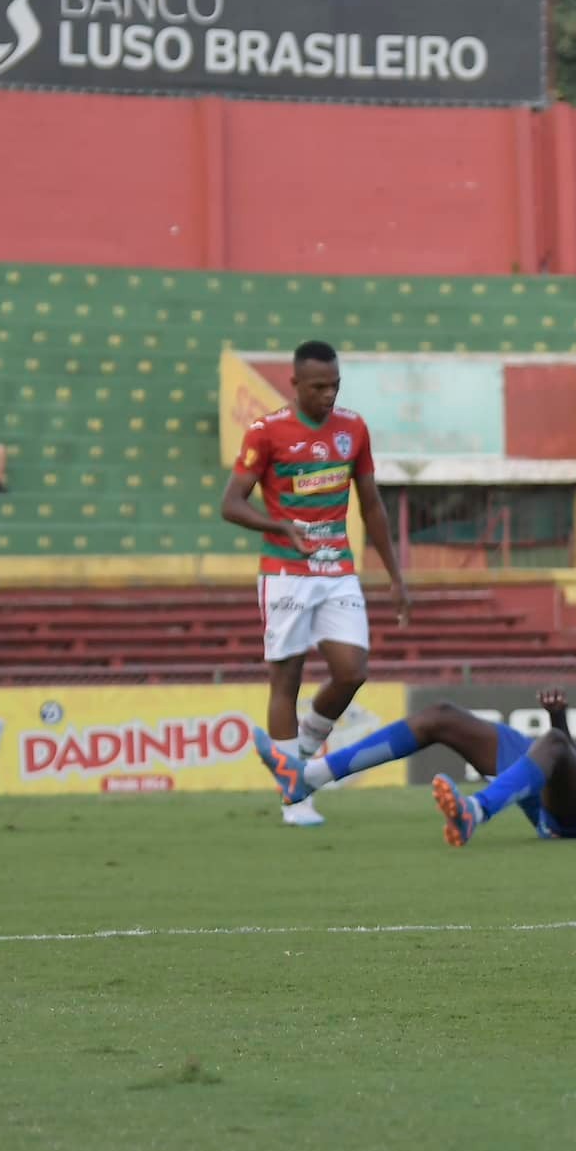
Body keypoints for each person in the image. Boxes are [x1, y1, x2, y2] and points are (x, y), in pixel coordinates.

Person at [250, 659, 576, 844]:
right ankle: (309, 777)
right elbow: (574, 757)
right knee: (441, 716)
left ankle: (476, 810)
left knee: (551, 746)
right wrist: (559, 723)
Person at [223, 340, 411, 827]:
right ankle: (295, 797)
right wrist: (279, 526)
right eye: (319, 386)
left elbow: (371, 503)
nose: (328, 395)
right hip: (285, 574)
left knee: (352, 670)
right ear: (295, 385)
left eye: (335, 385)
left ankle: (299, 755)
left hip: (337, 570)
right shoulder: (266, 433)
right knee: (286, 678)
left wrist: (394, 574)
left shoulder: (353, 429)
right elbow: (232, 504)